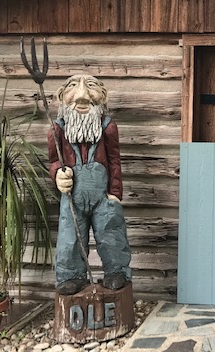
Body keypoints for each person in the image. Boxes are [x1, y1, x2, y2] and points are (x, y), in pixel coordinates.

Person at [48, 74, 131, 295]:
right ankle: (71, 275)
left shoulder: (107, 127)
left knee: (111, 233)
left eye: (91, 87)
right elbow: (54, 161)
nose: (82, 95)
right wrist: (58, 175)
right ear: (62, 97)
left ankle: (117, 271)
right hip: (72, 196)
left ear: (103, 96)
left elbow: (114, 160)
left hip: (102, 196)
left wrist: (115, 193)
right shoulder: (57, 130)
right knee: (71, 238)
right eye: (73, 87)